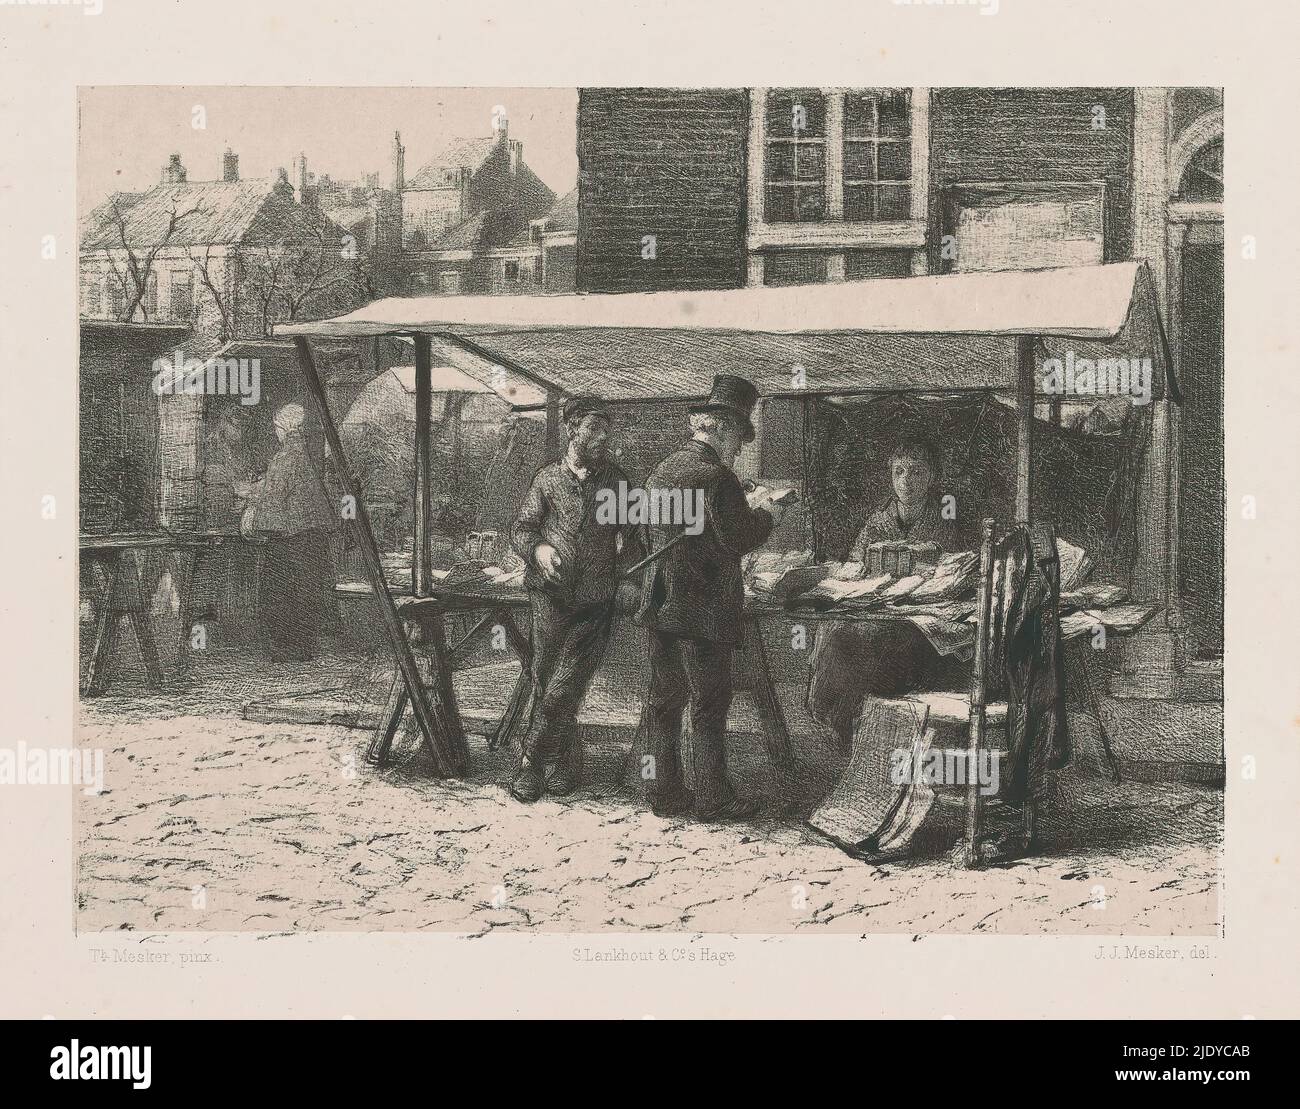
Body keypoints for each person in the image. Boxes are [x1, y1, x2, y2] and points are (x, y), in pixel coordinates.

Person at [635, 374, 784, 821]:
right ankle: (713, 799)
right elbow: (738, 536)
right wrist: (769, 514)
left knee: (664, 702)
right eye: (739, 435)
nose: (740, 446)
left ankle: (663, 794)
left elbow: (650, 536)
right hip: (702, 612)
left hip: (661, 605)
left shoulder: (661, 471)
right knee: (708, 706)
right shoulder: (719, 477)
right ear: (719, 427)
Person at [509, 395, 642, 803]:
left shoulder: (619, 483)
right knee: (544, 679)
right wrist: (538, 551)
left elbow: (636, 540)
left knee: (565, 684)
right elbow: (522, 528)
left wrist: (626, 579)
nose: (603, 438)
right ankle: (567, 762)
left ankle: (531, 762)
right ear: (572, 430)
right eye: (593, 429)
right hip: (549, 595)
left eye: (607, 430)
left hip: (596, 598)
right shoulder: (546, 480)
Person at [805, 435, 970, 749]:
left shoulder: (945, 517)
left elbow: (957, 568)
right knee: (840, 633)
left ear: (932, 476)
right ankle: (842, 716)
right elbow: (854, 564)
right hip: (878, 610)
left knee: (879, 643)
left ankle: (856, 718)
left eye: (916, 472)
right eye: (899, 472)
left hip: (920, 619)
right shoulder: (877, 521)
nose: (906, 481)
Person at [243, 402, 339, 662]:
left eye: (276, 427)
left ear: (283, 427)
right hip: (314, 532)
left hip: (290, 534)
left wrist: (252, 513)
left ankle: (283, 650)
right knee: (309, 590)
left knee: (278, 590)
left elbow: (273, 497)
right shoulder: (315, 450)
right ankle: (304, 648)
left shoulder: (287, 454)